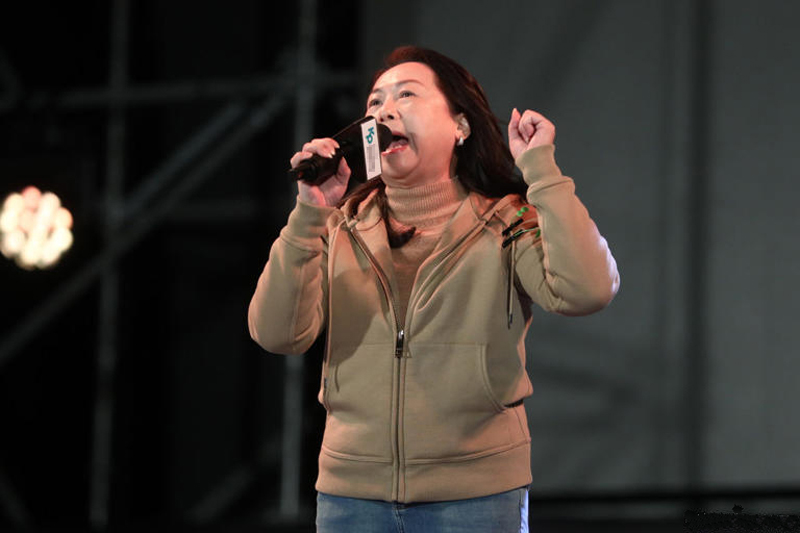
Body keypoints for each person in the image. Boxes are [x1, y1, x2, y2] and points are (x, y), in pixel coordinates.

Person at [248, 46, 619, 533]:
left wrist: (542, 171)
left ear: (460, 126)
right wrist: (309, 213)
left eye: (407, 95)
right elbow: (277, 333)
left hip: (476, 496)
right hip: (352, 496)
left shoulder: (506, 221)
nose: (385, 111)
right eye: (375, 102)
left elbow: (586, 291)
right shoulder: (339, 226)